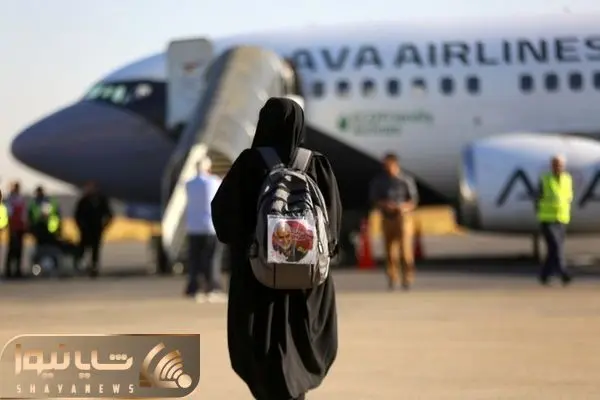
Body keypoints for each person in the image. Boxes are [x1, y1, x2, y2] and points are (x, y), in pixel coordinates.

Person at [211, 97, 341, 400]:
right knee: (300, 345)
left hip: (257, 280)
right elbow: (333, 224)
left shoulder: (249, 164)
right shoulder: (316, 163)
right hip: (307, 282)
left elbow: (224, 219)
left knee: (262, 355)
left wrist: (254, 244)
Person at [369, 153, 419, 290]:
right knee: (390, 251)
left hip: (403, 217)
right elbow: (374, 199)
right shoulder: (380, 181)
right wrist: (385, 204)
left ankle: (408, 276)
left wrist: (403, 207)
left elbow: (413, 200)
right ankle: (392, 277)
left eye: (390, 165)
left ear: (395, 164)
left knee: (406, 250)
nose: (388, 168)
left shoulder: (405, 180)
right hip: (387, 218)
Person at [183, 158, 225, 303]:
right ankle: (212, 288)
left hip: (193, 227)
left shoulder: (189, 184)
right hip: (209, 227)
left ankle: (194, 288)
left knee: (195, 260)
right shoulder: (214, 181)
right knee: (212, 259)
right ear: (209, 168)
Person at [536, 154, 573, 285]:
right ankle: (564, 273)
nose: (558, 167)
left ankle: (544, 275)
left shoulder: (567, 179)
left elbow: (568, 196)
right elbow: (538, 197)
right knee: (556, 247)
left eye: (560, 165)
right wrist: (539, 212)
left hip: (562, 218)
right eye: (556, 164)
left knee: (554, 249)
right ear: (552, 166)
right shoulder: (545, 179)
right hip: (548, 219)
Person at [74, 181, 113, 277]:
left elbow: (109, 215)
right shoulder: (83, 201)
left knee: (95, 249)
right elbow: (77, 216)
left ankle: (94, 267)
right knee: (82, 248)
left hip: (96, 229)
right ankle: (80, 266)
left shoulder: (101, 200)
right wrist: (81, 226)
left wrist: (104, 226)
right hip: (85, 230)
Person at [4, 181, 26, 279]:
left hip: (20, 227)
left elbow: (23, 214)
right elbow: (9, 214)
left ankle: (17, 270)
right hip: (13, 227)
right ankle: (8, 270)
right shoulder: (10, 199)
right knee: (12, 249)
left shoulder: (20, 199)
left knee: (19, 250)